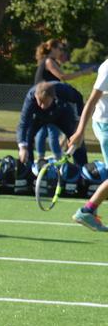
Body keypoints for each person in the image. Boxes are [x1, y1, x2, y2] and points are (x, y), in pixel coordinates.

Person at [33, 39, 94, 161]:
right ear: (53, 49)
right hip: (45, 99)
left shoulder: (51, 61)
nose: (61, 52)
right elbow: (63, 77)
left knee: (45, 129)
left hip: (45, 99)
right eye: (60, 49)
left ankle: (42, 157)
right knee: (51, 129)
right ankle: (56, 156)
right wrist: (84, 72)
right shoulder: (49, 61)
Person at [67, 58, 108, 231]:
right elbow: (91, 101)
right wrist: (80, 131)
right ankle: (87, 211)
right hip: (105, 125)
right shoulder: (107, 68)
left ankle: (89, 210)